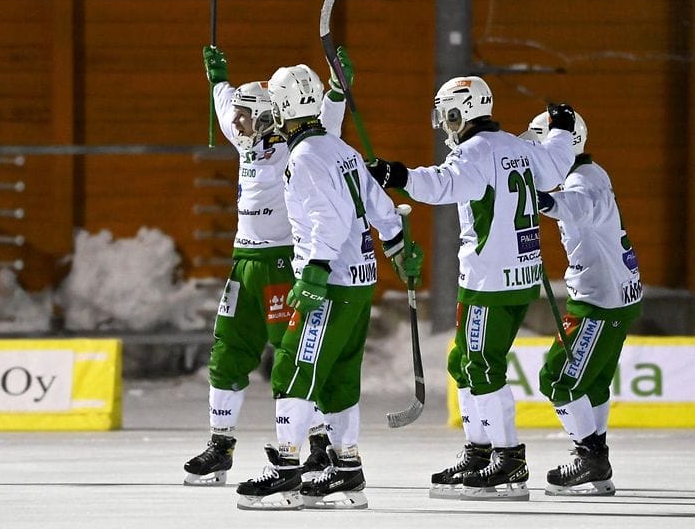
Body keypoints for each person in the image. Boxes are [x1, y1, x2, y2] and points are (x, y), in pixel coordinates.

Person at [366, 76, 576, 501]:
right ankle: (479, 452)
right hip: (518, 277)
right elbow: (557, 160)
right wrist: (563, 127)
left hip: (490, 282)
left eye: (446, 114)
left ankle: (508, 460)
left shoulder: (475, 152)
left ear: (461, 113)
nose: (444, 124)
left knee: (481, 365)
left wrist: (395, 174)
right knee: (464, 362)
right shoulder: (520, 147)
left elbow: (442, 184)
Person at [235, 63, 422, 510]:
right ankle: (347, 472)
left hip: (332, 283)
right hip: (360, 279)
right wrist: (398, 246)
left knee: (292, 371)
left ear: (281, 110)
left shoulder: (302, 158)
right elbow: (378, 203)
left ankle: (286, 472)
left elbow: (327, 220)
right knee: (339, 377)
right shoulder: (341, 149)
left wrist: (314, 272)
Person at [184, 45, 353, 486]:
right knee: (227, 351)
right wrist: (218, 80)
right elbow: (224, 107)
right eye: (238, 115)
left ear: (267, 116)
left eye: (245, 115)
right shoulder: (246, 140)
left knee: (294, 354)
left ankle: (315, 445)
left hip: (282, 265)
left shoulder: (298, 149)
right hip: (244, 263)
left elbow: (328, 124)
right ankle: (220, 446)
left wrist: (337, 90)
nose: (235, 123)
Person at [522, 109, 642, 497]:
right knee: (592, 384)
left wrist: (536, 199)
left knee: (557, 377)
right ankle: (597, 460)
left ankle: (589, 457)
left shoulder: (583, 181)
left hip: (600, 300)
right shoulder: (588, 173)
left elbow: (576, 206)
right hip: (613, 294)